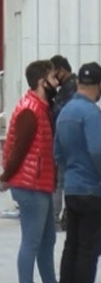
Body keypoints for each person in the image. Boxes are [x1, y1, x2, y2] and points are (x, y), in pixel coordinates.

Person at [0, 60, 59, 283]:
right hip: (30, 184)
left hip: (39, 183)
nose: (56, 83)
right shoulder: (30, 110)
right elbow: (18, 150)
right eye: (53, 78)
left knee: (47, 240)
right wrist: (5, 177)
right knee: (33, 242)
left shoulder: (40, 107)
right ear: (42, 82)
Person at [54, 62, 101, 283]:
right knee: (88, 246)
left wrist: (71, 171)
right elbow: (97, 150)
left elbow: (58, 153)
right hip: (92, 189)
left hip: (71, 188)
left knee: (71, 243)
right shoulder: (92, 113)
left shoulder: (65, 112)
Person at [50, 54, 78, 231]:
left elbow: (62, 113)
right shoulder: (68, 88)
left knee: (61, 180)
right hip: (65, 140)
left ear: (62, 71)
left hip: (67, 141)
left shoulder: (71, 89)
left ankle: (60, 216)